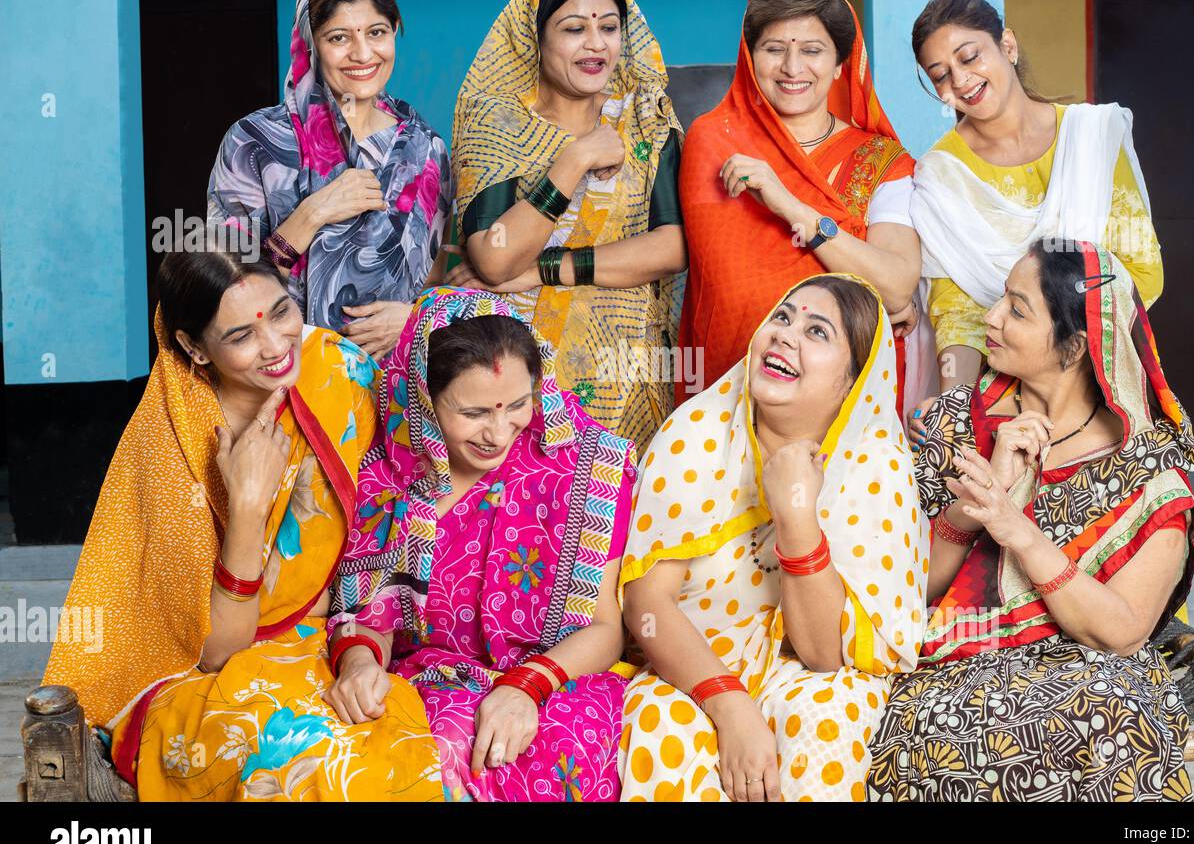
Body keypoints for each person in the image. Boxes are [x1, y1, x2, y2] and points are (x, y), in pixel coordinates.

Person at [42, 247, 442, 801]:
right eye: (241, 337)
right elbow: (216, 651)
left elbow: (418, 459)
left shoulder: (339, 370)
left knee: (395, 753)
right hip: (204, 671)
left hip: (334, 638)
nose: (277, 346)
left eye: (281, 313)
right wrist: (248, 508)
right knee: (309, 764)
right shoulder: (173, 446)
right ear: (193, 348)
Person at [869, 240, 1194, 802]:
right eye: (1001, 299)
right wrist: (984, 498)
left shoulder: (1145, 466)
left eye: (1018, 310)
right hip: (951, 662)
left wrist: (1021, 533)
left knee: (1113, 715)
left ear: (1074, 347)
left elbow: (1121, 632)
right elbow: (905, 588)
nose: (991, 318)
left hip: (1092, 671)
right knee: (946, 727)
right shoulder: (954, 423)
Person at [619, 275, 927, 801]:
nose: (785, 336)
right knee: (662, 722)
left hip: (799, 670)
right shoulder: (698, 433)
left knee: (833, 711)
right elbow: (646, 603)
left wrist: (796, 514)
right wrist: (729, 703)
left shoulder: (875, 469)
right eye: (782, 318)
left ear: (852, 383)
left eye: (817, 332)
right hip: (690, 668)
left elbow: (825, 654)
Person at [325, 288, 640, 801]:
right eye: (473, 413)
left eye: (518, 404)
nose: (499, 432)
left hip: (556, 685)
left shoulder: (586, 468)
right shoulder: (390, 481)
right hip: (426, 683)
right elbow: (374, 616)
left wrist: (525, 687)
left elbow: (607, 631)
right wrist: (360, 664)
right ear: (424, 400)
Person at [448, 0, 685, 453]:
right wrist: (574, 159)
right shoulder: (498, 125)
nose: (596, 45)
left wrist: (544, 269)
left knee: (614, 521)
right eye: (574, 28)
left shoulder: (645, 120)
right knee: (523, 525)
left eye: (610, 27)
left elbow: (674, 247)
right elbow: (494, 257)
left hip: (627, 380)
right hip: (516, 384)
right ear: (536, 37)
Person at [678, 0, 923, 417]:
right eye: (774, 49)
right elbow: (726, 292)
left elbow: (894, 285)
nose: (793, 67)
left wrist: (790, 206)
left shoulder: (881, 161)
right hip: (730, 394)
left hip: (840, 398)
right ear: (751, 59)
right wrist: (861, 281)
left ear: (839, 65)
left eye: (812, 50)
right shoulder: (714, 142)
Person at [908, 0, 1163, 409]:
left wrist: (1061, 368)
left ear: (1007, 45)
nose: (960, 81)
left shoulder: (1091, 137)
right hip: (997, 397)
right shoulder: (940, 176)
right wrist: (955, 407)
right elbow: (957, 318)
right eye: (940, 74)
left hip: (1100, 376)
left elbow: (1142, 269)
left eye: (969, 57)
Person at [208, 0, 451, 358]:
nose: (363, 53)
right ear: (309, 44)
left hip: (397, 386)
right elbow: (221, 294)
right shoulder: (254, 145)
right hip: (282, 377)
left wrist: (413, 317)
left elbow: (433, 280)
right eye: (339, 37)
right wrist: (312, 214)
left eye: (377, 32)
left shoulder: (425, 151)